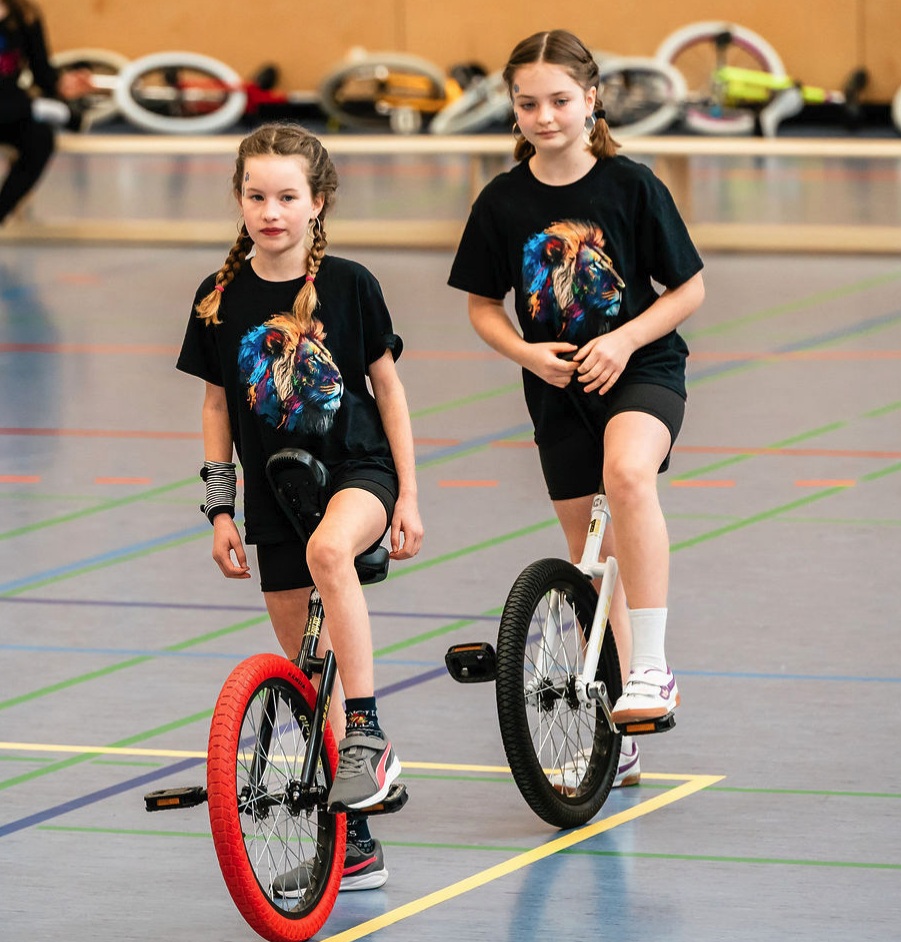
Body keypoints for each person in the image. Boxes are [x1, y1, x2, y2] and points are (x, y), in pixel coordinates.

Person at [448, 30, 705, 787]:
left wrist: (623, 341)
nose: (544, 116)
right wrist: (525, 353)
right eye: (527, 103)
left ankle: (652, 669)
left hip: (638, 369)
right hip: (555, 388)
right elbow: (481, 307)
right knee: (594, 567)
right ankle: (612, 728)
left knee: (628, 478)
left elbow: (688, 290)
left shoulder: (630, 186)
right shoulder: (501, 201)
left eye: (559, 100)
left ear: (589, 100)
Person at [177, 122, 423, 891]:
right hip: (271, 497)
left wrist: (408, 495)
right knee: (303, 672)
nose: (270, 211)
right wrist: (221, 510)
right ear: (239, 200)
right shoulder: (217, 296)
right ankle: (351, 843)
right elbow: (218, 408)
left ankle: (368, 733)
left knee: (329, 555)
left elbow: (389, 389)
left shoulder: (350, 284)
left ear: (317, 203)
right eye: (256, 196)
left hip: (357, 472)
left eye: (287, 196)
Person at [0, 0, 91, 225]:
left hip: (9, 107)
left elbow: (42, 72)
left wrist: (64, 84)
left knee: (40, 139)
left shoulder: (25, 15)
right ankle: (39, 110)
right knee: (22, 108)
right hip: (10, 106)